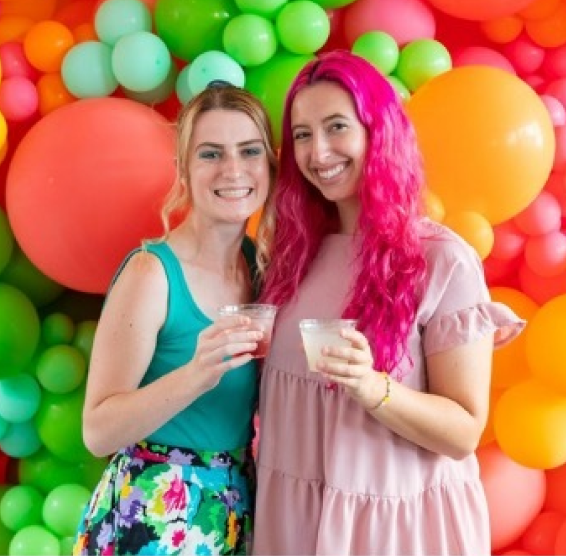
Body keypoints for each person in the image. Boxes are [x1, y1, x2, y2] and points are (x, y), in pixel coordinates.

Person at [252, 50, 525, 556]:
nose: (319, 152)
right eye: (303, 135)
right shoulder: (290, 257)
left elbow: (463, 431)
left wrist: (371, 385)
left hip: (396, 531)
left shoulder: (441, 260)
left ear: (379, 132)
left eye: (337, 127)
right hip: (295, 521)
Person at [73, 83, 278, 556]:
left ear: (268, 165)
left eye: (249, 151)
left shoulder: (262, 267)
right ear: (182, 170)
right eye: (210, 154)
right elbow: (98, 431)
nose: (233, 170)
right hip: (151, 513)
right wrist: (195, 375)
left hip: (230, 510)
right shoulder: (152, 273)